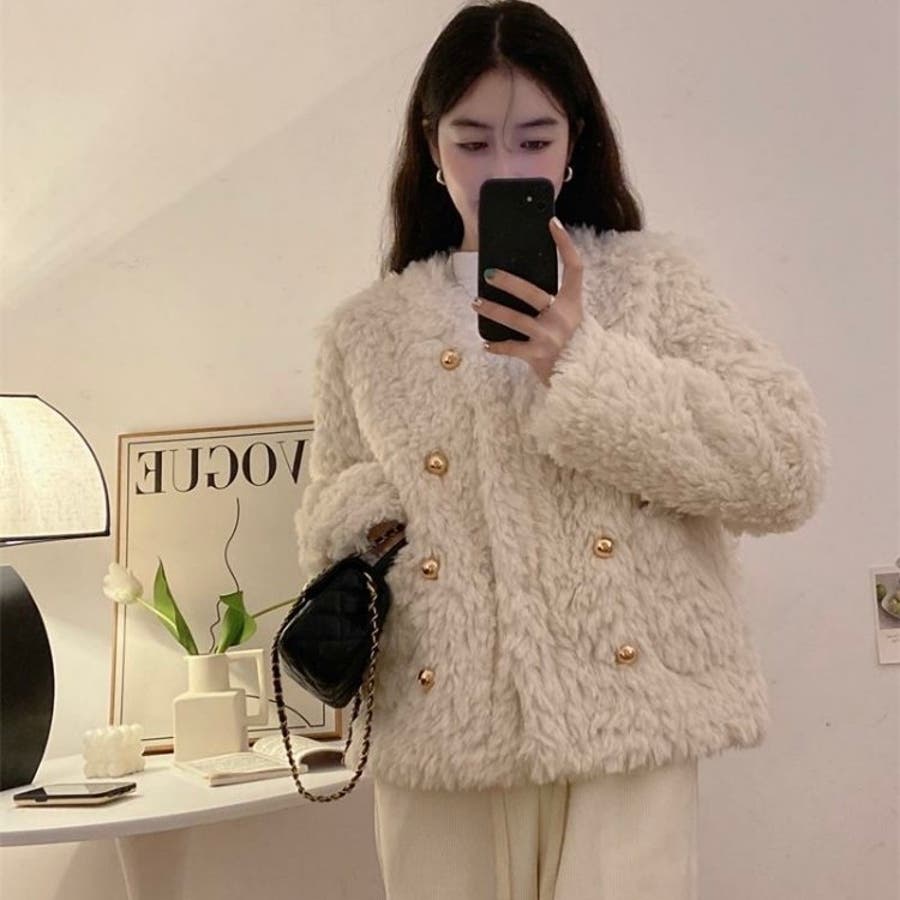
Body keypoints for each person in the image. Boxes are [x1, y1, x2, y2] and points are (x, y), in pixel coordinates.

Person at [293, 2, 829, 898]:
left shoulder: (651, 285)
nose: (504, 168)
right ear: (431, 147)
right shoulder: (367, 332)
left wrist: (582, 365)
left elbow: (786, 468)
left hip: (628, 728)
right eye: (472, 141)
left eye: (534, 140)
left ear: (574, 143)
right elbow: (325, 521)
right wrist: (387, 517)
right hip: (445, 734)